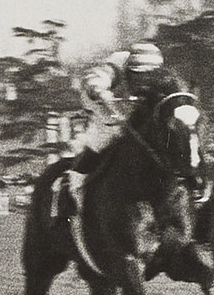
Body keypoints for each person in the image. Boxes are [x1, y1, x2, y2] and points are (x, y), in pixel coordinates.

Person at [56, 40, 176, 216]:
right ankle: (72, 184)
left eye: (148, 77)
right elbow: (94, 79)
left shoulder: (163, 78)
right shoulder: (116, 65)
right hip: (108, 115)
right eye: (137, 76)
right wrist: (101, 91)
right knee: (103, 139)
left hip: (141, 118)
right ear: (128, 70)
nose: (142, 82)